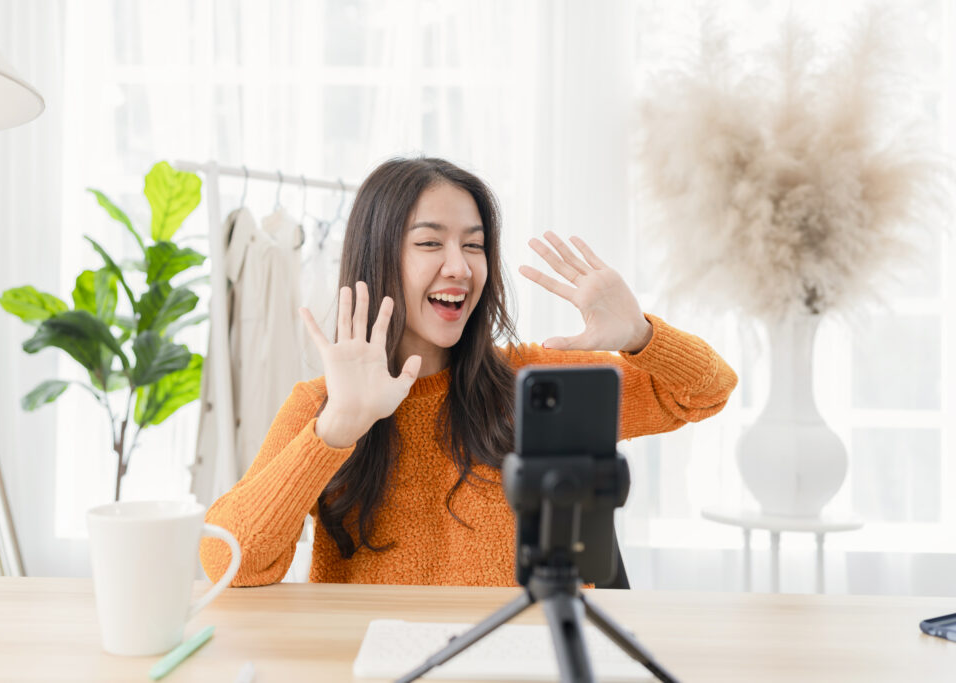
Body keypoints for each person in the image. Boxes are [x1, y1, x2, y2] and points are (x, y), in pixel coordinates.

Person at [201, 157, 737, 588]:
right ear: (377, 258)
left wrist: (641, 335)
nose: (459, 266)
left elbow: (708, 392)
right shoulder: (322, 406)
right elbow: (228, 562)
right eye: (430, 242)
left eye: (474, 245)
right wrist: (339, 425)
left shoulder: (533, 383)